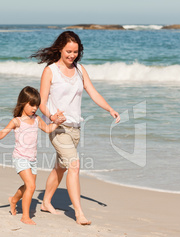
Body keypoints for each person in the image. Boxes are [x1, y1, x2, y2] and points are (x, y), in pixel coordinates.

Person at [31, 31, 120, 225]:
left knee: (60, 168)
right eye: (69, 51)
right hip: (58, 128)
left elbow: (93, 92)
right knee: (74, 165)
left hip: (75, 129)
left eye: (76, 52)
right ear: (60, 49)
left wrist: (109, 108)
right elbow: (41, 102)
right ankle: (79, 213)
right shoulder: (50, 71)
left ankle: (46, 202)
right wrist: (52, 116)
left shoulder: (80, 70)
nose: (72, 55)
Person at [0, 86, 65, 225]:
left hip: (32, 159)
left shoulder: (37, 119)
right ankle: (25, 216)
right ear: (23, 102)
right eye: (31, 105)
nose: (34, 108)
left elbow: (47, 129)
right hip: (20, 158)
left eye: (36, 105)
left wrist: (56, 122)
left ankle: (14, 199)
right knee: (31, 186)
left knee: (28, 186)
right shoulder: (17, 121)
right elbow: (3, 133)